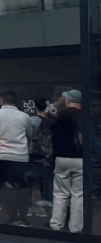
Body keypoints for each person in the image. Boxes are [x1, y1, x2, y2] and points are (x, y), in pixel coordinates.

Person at [0, 89, 34, 227]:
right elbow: (29, 136)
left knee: (6, 190)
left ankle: (12, 218)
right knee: (23, 190)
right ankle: (23, 217)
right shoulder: (24, 117)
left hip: (1, 156)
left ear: (1, 101)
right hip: (21, 157)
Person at [50, 90, 83, 232]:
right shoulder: (85, 116)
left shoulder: (60, 115)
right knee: (79, 194)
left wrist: (61, 100)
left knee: (60, 193)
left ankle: (56, 224)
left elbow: (47, 111)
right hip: (81, 159)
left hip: (62, 157)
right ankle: (75, 228)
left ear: (67, 100)